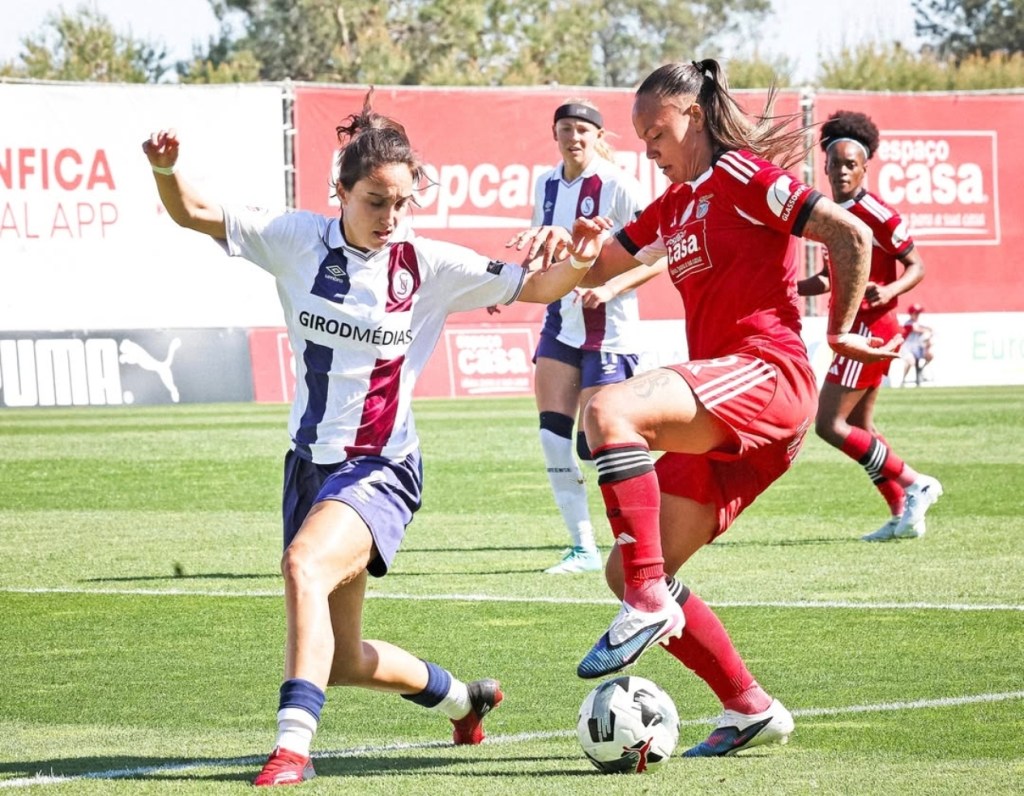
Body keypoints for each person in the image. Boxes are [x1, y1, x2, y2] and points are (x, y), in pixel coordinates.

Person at [142, 90, 603, 787]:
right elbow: (192, 212)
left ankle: (292, 748)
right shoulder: (295, 238)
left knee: (303, 565)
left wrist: (581, 260)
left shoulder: (428, 265)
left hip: (382, 468)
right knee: (341, 658)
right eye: (375, 202)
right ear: (341, 193)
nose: (391, 218)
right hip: (309, 469)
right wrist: (167, 171)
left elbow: (539, 287)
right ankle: (463, 700)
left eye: (401, 202)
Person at [512, 59, 899, 757]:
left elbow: (851, 235)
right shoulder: (678, 201)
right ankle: (749, 707)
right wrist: (564, 250)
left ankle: (649, 605)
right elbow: (597, 266)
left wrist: (840, 328)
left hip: (766, 376)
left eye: (655, 133)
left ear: (692, 116)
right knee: (627, 569)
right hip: (736, 411)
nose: (649, 149)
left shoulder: (744, 177)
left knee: (610, 417)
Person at [529, 98, 666, 575]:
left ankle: (639, 528)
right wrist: (511, 284)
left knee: (596, 444)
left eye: (583, 130)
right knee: (552, 437)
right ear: (555, 133)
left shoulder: (619, 185)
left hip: (609, 333)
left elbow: (661, 249)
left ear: (598, 136)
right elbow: (540, 247)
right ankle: (582, 546)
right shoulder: (544, 183)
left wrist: (610, 285)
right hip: (558, 325)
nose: (574, 137)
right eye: (566, 128)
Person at [798, 110, 942, 542]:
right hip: (853, 330)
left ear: (865, 167)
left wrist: (891, 287)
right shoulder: (831, 214)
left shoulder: (874, 211)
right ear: (823, 166)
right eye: (834, 164)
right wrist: (787, 288)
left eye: (850, 164)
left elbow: (916, 265)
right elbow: (830, 278)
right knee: (860, 429)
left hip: (870, 332)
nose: (841, 171)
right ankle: (902, 514)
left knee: (829, 425)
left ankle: (917, 483)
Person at [900, 302, 935, 386]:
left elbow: (925, 330)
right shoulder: (908, 323)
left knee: (930, 356)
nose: (918, 315)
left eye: (918, 313)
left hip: (917, 347)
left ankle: (921, 370)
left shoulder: (919, 323)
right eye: (916, 313)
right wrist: (927, 330)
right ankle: (903, 380)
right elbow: (915, 329)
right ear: (911, 314)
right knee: (911, 362)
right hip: (907, 347)